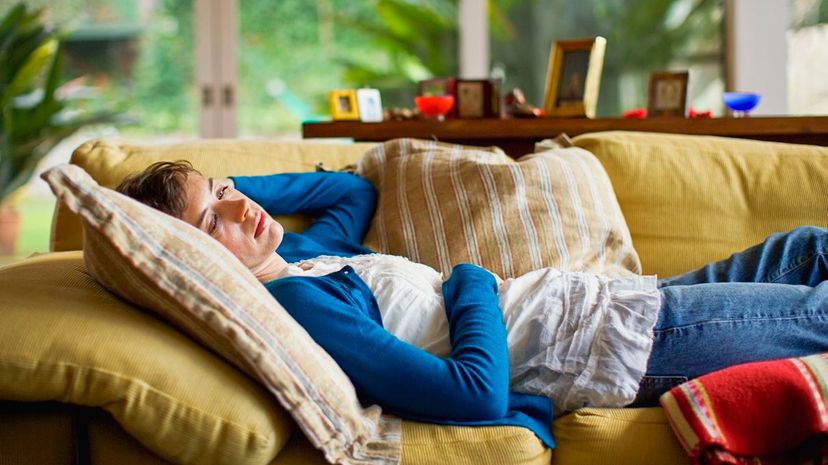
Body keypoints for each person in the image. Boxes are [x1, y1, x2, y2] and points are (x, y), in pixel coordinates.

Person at [117, 161, 828, 448]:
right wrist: (471, 282)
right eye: (215, 221)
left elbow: (350, 194)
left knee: (810, 245)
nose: (241, 205)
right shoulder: (302, 306)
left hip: (616, 302)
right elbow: (477, 393)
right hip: (609, 344)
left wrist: (234, 192)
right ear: (198, 259)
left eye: (225, 187)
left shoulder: (301, 258)